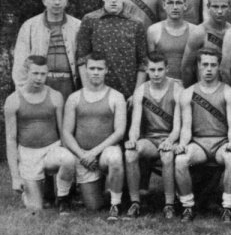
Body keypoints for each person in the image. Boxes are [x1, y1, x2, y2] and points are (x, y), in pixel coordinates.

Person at [60, 52, 128, 219]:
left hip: (104, 153)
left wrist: (94, 153)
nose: (96, 72)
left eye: (99, 68)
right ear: (86, 71)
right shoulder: (74, 98)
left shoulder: (116, 97)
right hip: (83, 156)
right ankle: (107, 187)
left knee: (115, 158)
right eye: (92, 68)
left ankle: (116, 203)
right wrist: (83, 155)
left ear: (106, 71)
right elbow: (66, 132)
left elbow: (119, 132)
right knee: (93, 206)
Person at [173, 47, 231, 222]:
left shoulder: (228, 91)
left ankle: (228, 207)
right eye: (205, 65)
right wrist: (183, 145)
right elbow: (186, 127)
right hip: (199, 144)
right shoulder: (188, 93)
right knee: (180, 159)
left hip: (221, 142)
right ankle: (188, 206)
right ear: (198, 66)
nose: (209, 69)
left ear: (218, 67)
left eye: (213, 65)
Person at [4, 55, 74, 212]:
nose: (39, 78)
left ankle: (63, 197)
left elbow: (63, 132)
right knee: (36, 208)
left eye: (43, 74)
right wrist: (15, 177)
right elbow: (11, 139)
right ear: (26, 72)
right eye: (35, 73)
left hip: (51, 149)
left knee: (68, 159)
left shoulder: (55, 96)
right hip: (28, 153)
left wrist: (66, 165)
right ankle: (32, 192)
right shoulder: (13, 100)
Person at [125, 52, 182, 219]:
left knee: (166, 156)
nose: (156, 74)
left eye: (160, 69)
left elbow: (178, 126)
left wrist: (170, 141)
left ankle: (169, 204)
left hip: (171, 138)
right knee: (130, 153)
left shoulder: (177, 89)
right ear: (146, 70)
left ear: (167, 69)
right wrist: (133, 140)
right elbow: (135, 124)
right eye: (152, 70)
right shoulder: (141, 91)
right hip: (151, 139)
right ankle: (135, 202)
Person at [76, 0, 147, 98]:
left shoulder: (136, 23)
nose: (113, 0)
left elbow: (143, 62)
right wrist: (88, 90)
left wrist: (137, 94)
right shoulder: (90, 20)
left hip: (128, 92)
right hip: (97, 91)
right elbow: (82, 59)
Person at [13, 0, 81, 99]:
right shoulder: (30, 26)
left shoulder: (78, 26)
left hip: (69, 85)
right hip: (40, 83)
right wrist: (23, 91)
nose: (57, 2)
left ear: (66, 1)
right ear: (44, 1)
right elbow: (20, 62)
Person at [181, 0, 231, 86]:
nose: (220, 11)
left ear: (230, 8)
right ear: (208, 7)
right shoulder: (199, 32)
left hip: (227, 90)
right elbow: (187, 68)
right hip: (204, 91)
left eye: (224, 6)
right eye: (215, 6)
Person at [147, 0, 198, 84]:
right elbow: (151, 65)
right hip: (162, 86)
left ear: (185, 6)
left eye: (178, 3)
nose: (175, 7)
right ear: (164, 5)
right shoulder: (153, 30)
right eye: (170, 3)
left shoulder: (195, 31)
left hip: (187, 87)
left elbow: (198, 65)